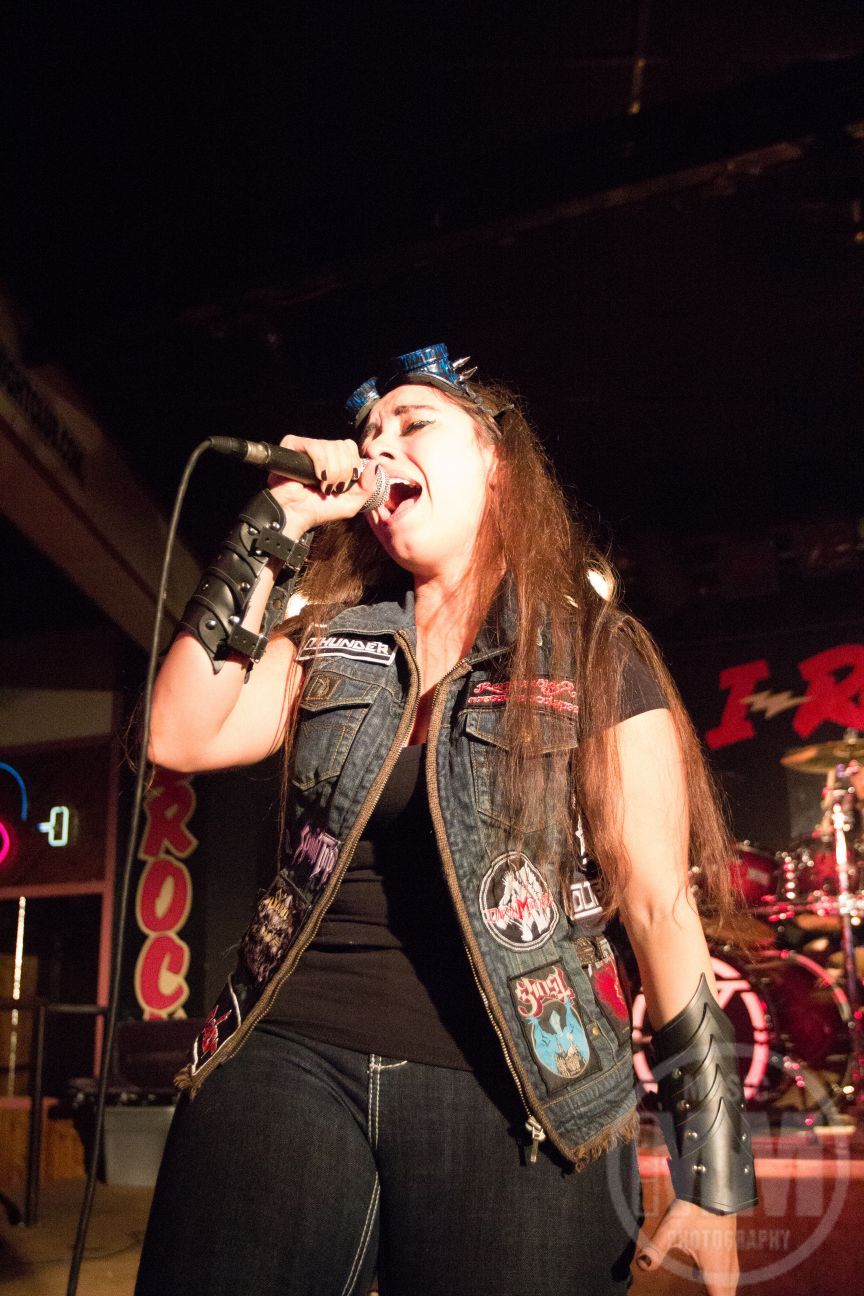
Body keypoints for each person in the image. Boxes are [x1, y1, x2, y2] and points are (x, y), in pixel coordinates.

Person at [136, 345, 755, 1296]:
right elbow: (179, 734)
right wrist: (277, 520)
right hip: (290, 1050)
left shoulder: (592, 652)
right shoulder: (329, 640)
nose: (378, 447)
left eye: (413, 424)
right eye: (368, 433)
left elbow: (659, 908)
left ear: (496, 465)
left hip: (519, 1079)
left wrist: (713, 1174)